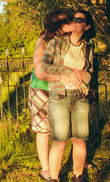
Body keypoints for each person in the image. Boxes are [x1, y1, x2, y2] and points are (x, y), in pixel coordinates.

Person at [41, 10, 95, 182]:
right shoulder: (57, 42)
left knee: (80, 140)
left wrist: (82, 74)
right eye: (72, 18)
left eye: (79, 20)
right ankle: (54, 179)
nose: (74, 21)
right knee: (60, 142)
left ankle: (77, 176)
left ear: (86, 26)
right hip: (59, 96)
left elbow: (90, 74)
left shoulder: (88, 48)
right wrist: (66, 72)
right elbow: (45, 66)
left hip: (80, 97)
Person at [29, 9, 76, 181]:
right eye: (66, 21)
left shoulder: (65, 39)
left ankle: (76, 161)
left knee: (63, 129)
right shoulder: (43, 41)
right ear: (56, 25)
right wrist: (61, 77)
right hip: (41, 90)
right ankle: (46, 170)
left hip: (59, 88)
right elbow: (40, 72)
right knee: (44, 131)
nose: (70, 23)